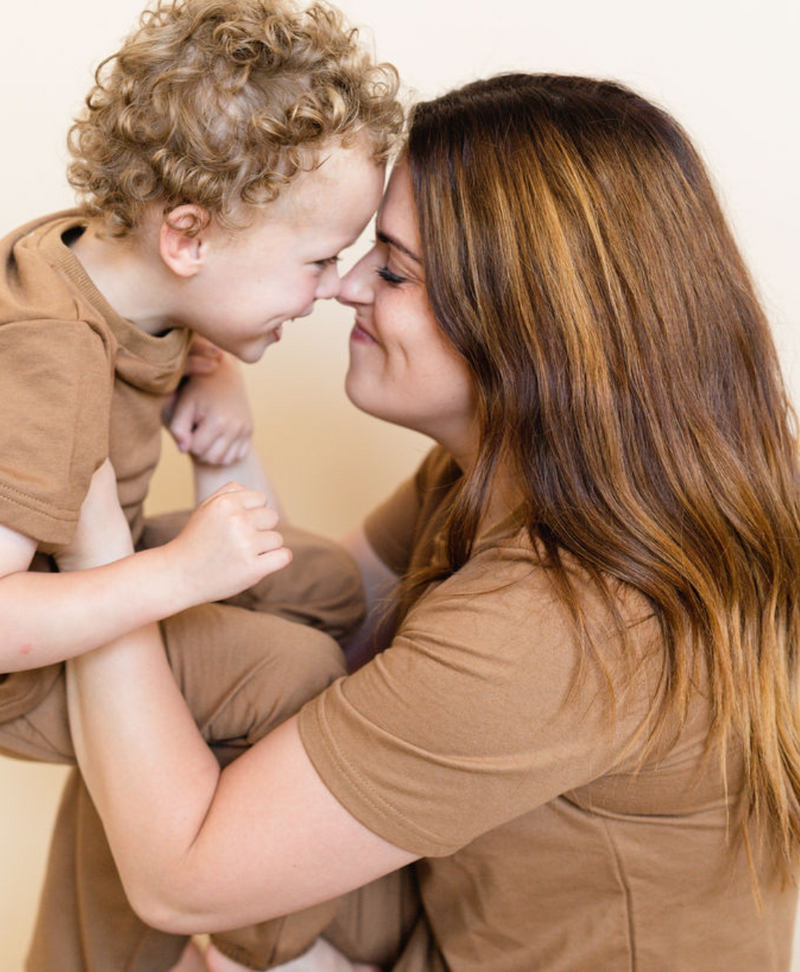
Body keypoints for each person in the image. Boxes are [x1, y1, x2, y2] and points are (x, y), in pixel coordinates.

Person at [62, 73, 800, 971]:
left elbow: (179, 878)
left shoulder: (566, 617)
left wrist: (93, 551)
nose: (345, 287)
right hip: (434, 918)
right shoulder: (536, 473)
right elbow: (325, 616)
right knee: (188, 684)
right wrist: (222, 439)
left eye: (396, 269)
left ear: (532, 326)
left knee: (146, 725)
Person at [0, 0, 403, 968]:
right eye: (313, 260)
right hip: (19, 672)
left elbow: (134, 333)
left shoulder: (110, 262)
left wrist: (201, 367)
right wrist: (179, 577)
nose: (330, 288)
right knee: (295, 672)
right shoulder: (47, 364)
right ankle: (266, 941)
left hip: (93, 568)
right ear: (187, 234)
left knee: (326, 584)